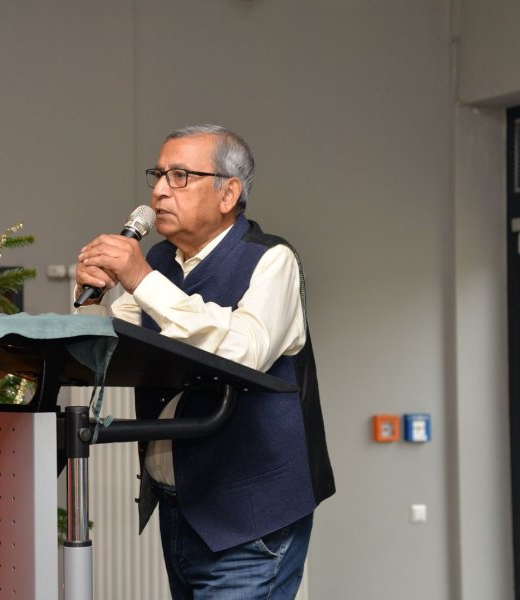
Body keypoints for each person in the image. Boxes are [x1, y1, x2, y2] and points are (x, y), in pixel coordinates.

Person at [74, 124, 335, 599]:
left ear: (228, 194)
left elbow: (244, 351)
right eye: (158, 175)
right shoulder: (160, 262)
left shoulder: (272, 260)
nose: (158, 191)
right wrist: (91, 299)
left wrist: (141, 279)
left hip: (251, 518)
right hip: (181, 510)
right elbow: (112, 350)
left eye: (180, 176)